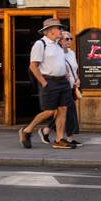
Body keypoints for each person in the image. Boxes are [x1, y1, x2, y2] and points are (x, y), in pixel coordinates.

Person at [19, 19, 73, 150]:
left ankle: (59, 139)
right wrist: (43, 82)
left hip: (62, 81)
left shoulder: (58, 45)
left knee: (63, 109)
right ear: (50, 30)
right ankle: (27, 130)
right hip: (49, 81)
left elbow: (61, 61)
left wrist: (66, 72)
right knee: (49, 111)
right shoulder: (40, 44)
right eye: (58, 29)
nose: (61, 31)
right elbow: (33, 66)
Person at [40, 32, 82, 147]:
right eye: (66, 39)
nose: (69, 41)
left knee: (65, 111)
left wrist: (77, 79)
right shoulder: (57, 53)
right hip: (62, 86)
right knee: (68, 111)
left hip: (72, 87)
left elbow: (75, 69)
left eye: (70, 38)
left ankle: (47, 130)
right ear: (59, 40)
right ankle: (68, 138)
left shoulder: (71, 53)